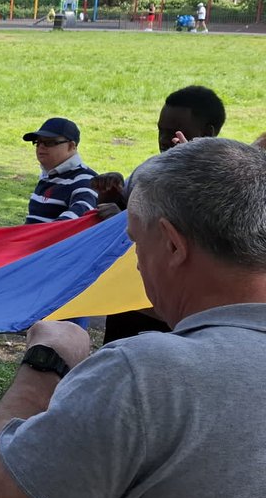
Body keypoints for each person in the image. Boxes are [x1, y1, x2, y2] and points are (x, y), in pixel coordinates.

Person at [0, 138, 266, 498]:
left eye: (133, 241)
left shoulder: (146, 377)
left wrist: (45, 363)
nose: (135, 265)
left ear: (171, 244)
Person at [94, 85, 226, 345]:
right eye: (160, 131)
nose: (165, 139)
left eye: (174, 132)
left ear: (207, 133)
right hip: (130, 300)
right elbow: (127, 214)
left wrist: (193, 173)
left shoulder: (225, 180)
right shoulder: (150, 170)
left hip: (179, 312)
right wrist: (111, 196)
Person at [22, 118, 98, 223]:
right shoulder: (48, 176)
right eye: (38, 142)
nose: (41, 147)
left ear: (71, 146)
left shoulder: (86, 180)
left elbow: (75, 220)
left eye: (49, 142)